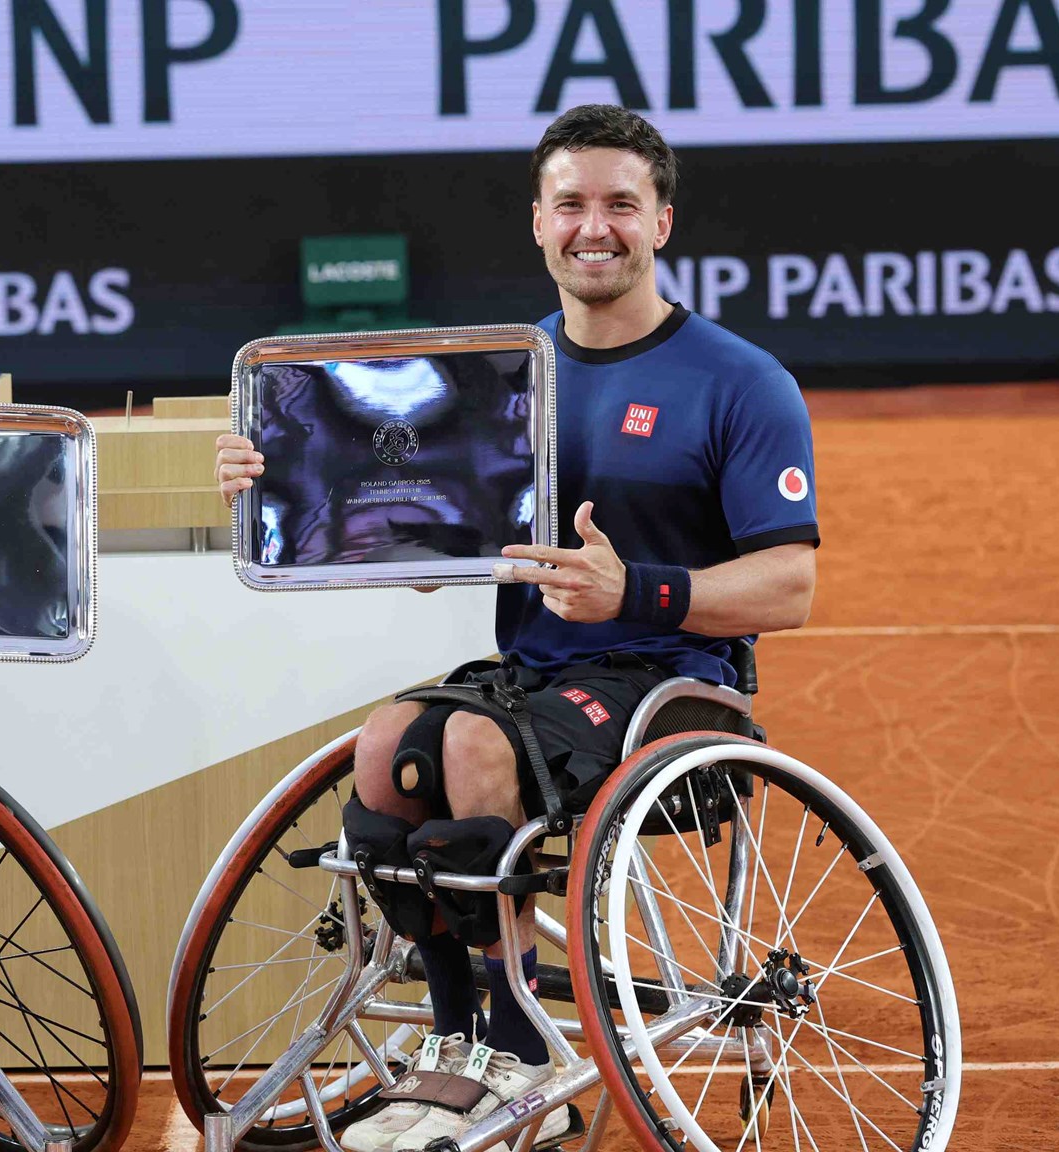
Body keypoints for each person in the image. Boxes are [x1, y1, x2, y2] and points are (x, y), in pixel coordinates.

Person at [214, 105, 820, 1152]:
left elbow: (788, 587)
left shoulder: (739, 381)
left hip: (671, 689)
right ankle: (456, 1046)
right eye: (571, 204)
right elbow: (420, 539)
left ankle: (517, 1049)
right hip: (531, 677)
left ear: (660, 223)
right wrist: (280, 481)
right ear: (537, 224)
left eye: (620, 205)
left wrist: (634, 591)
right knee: (382, 749)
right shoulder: (499, 372)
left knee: (465, 741)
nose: (596, 226)